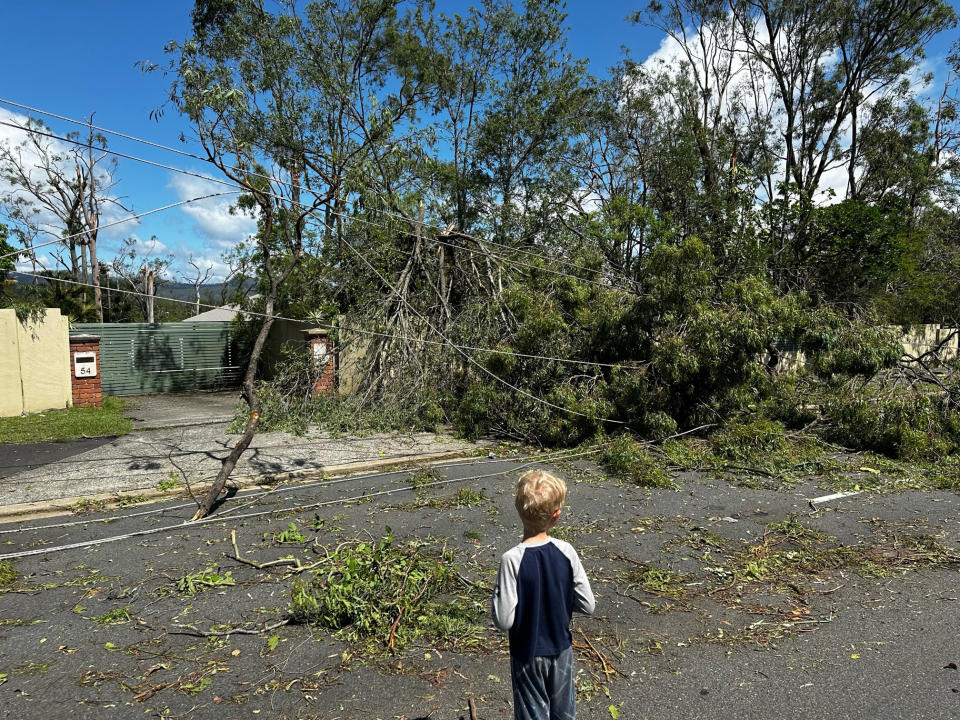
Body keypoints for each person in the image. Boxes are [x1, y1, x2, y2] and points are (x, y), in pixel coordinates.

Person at [491, 469, 596, 720]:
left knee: (533, 714)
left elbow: (503, 621)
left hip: (527, 655)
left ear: (518, 509)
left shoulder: (511, 559)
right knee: (563, 714)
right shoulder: (567, 551)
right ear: (556, 516)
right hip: (562, 650)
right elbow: (588, 604)